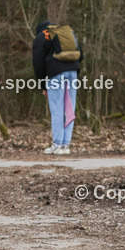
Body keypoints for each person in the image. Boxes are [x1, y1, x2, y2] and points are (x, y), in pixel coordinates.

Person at [32, 22, 82, 155]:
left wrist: (43, 85)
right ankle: (66, 146)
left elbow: (38, 64)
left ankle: (57, 144)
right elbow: (80, 54)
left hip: (56, 74)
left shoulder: (41, 37)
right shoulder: (66, 33)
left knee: (57, 109)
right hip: (73, 71)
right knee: (69, 109)